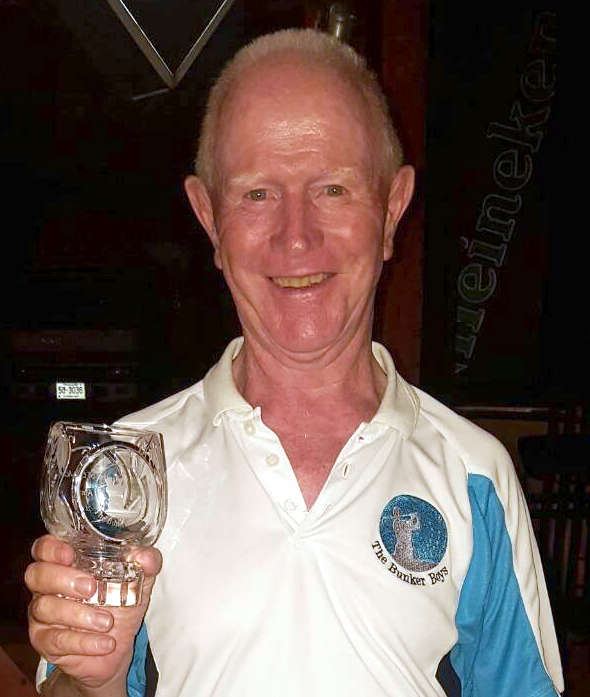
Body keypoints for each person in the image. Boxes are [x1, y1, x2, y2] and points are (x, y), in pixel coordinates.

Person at [25, 28, 564, 697]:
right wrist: (94, 680)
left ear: (392, 209)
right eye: (257, 194)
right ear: (208, 217)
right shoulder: (124, 473)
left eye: (333, 189)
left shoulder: (475, 473)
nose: (297, 237)